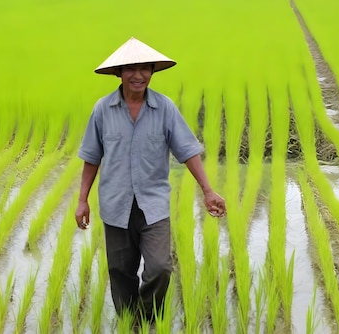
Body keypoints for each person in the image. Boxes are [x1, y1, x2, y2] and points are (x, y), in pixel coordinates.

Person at [75, 37, 226, 323]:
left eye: (145, 68)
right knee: (120, 271)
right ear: (118, 73)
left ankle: (146, 319)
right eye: (131, 68)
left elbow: (188, 151)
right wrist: (82, 200)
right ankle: (128, 322)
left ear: (153, 71)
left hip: (153, 206)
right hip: (115, 204)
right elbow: (91, 157)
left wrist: (208, 190)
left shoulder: (165, 109)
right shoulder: (102, 110)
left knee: (159, 268)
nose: (139, 75)